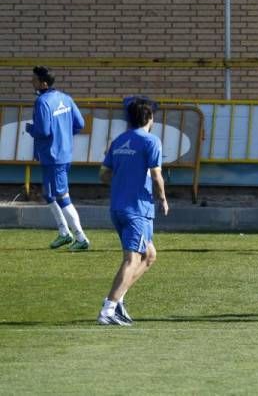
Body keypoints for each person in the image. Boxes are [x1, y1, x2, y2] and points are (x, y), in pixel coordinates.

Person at [96, 97, 168, 326]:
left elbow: (103, 175)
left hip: (118, 207)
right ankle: (108, 309)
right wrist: (163, 198)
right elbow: (156, 175)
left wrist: (123, 181)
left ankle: (118, 300)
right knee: (132, 258)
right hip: (137, 209)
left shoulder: (119, 141)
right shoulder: (151, 141)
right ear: (149, 118)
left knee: (149, 256)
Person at [25, 65, 90, 251]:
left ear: (43, 83)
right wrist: (63, 135)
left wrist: (31, 129)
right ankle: (64, 233)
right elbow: (80, 123)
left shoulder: (42, 101)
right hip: (61, 154)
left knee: (62, 196)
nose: (32, 82)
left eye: (34, 79)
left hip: (53, 156)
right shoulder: (66, 98)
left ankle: (81, 237)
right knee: (49, 194)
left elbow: (44, 131)